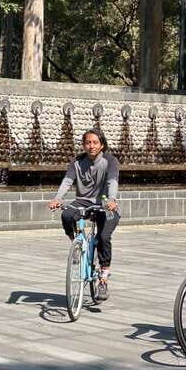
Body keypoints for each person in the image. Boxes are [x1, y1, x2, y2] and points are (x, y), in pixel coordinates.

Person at [48, 129, 120, 301]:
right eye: (88, 142)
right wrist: (58, 199)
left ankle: (103, 278)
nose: (91, 146)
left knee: (103, 237)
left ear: (102, 144)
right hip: (82, 201)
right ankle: (76, 245)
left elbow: (112, 181)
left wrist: (112, 199)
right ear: (84, 144)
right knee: (66, 215)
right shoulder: (77, 161)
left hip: (104, 203)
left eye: (95, 142)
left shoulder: (110, 161)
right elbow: (67, 181)